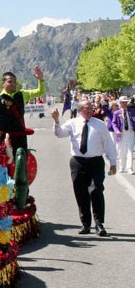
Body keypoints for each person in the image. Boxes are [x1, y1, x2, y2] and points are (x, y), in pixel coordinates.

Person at [51, 100, 117, 236]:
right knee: (81, 193)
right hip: (78, 162)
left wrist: (113, 162)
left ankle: (99, 224)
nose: (90, 111)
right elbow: (59, 133)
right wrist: (56, 121)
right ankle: (85, 224)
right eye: (87, 109)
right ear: (80, 110)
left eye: (91, 108)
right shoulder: (72, 123)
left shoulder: (99, 125)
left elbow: (108, 143)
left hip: (96, 162)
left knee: (96, 190)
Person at [0, 67, 45, 155]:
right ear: (3, 83)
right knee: (3, 165)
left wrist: (41, 80)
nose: (13, 84)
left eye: (14, 82)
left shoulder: (22, 94)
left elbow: (40, 92)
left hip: (20, 138)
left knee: (21, 164)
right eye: (10, 81)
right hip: (4, 138)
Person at [111, 95, 135, 174]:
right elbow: (113, 123)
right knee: (121, 151)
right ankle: (122, 167)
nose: (124, 104)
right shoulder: (116, 113)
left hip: (130, 132)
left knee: (130, 150)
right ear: (120, 103)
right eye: (122, 102)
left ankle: (129, 168)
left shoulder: (132, 111)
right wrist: (117, 130)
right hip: (121, 133)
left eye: (125, 102)